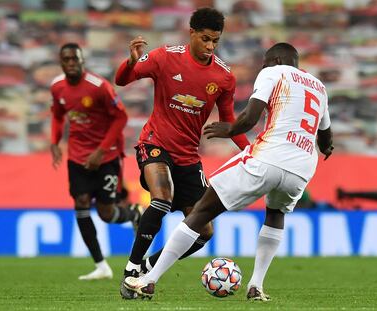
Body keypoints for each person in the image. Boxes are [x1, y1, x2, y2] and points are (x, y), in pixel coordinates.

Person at [123, 42, 334, 300]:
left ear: (276, 60)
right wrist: (325, 148)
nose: (263, 67)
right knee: (275, 214)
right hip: (302, 166)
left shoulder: (273, 72)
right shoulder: (319, 87)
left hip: (268, 156)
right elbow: (325, 141)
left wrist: (230, 130)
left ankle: (148, 279)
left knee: (202, 211)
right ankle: (256, 285)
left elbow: (250, 117)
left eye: (266, 62)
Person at [115, 7, 250, 299]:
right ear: (191, 33)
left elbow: (229, 122)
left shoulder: (224, 77)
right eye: (205, 39)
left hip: (188, 157)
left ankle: (149, 267)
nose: (211, 46)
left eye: (216, 40)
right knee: (162, 198)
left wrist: (252, 149)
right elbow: (123, 80)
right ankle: (131, 268)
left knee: (204, 232)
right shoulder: (165, 56)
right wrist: (130, 62)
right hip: (155, 143)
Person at [50, 42, 143, 280]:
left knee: (105, 213)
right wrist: (55, 141)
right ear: (61, 62)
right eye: (66, 59)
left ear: (82, 61)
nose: (71, 63)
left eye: (75, 59)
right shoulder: (57, 87)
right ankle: (101, 265)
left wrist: (100, 152)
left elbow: (121, 118)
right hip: (77, 156)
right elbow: (58, 115)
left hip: (107, 156)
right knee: (80, 202)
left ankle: (133, 214)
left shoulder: (98, 86)